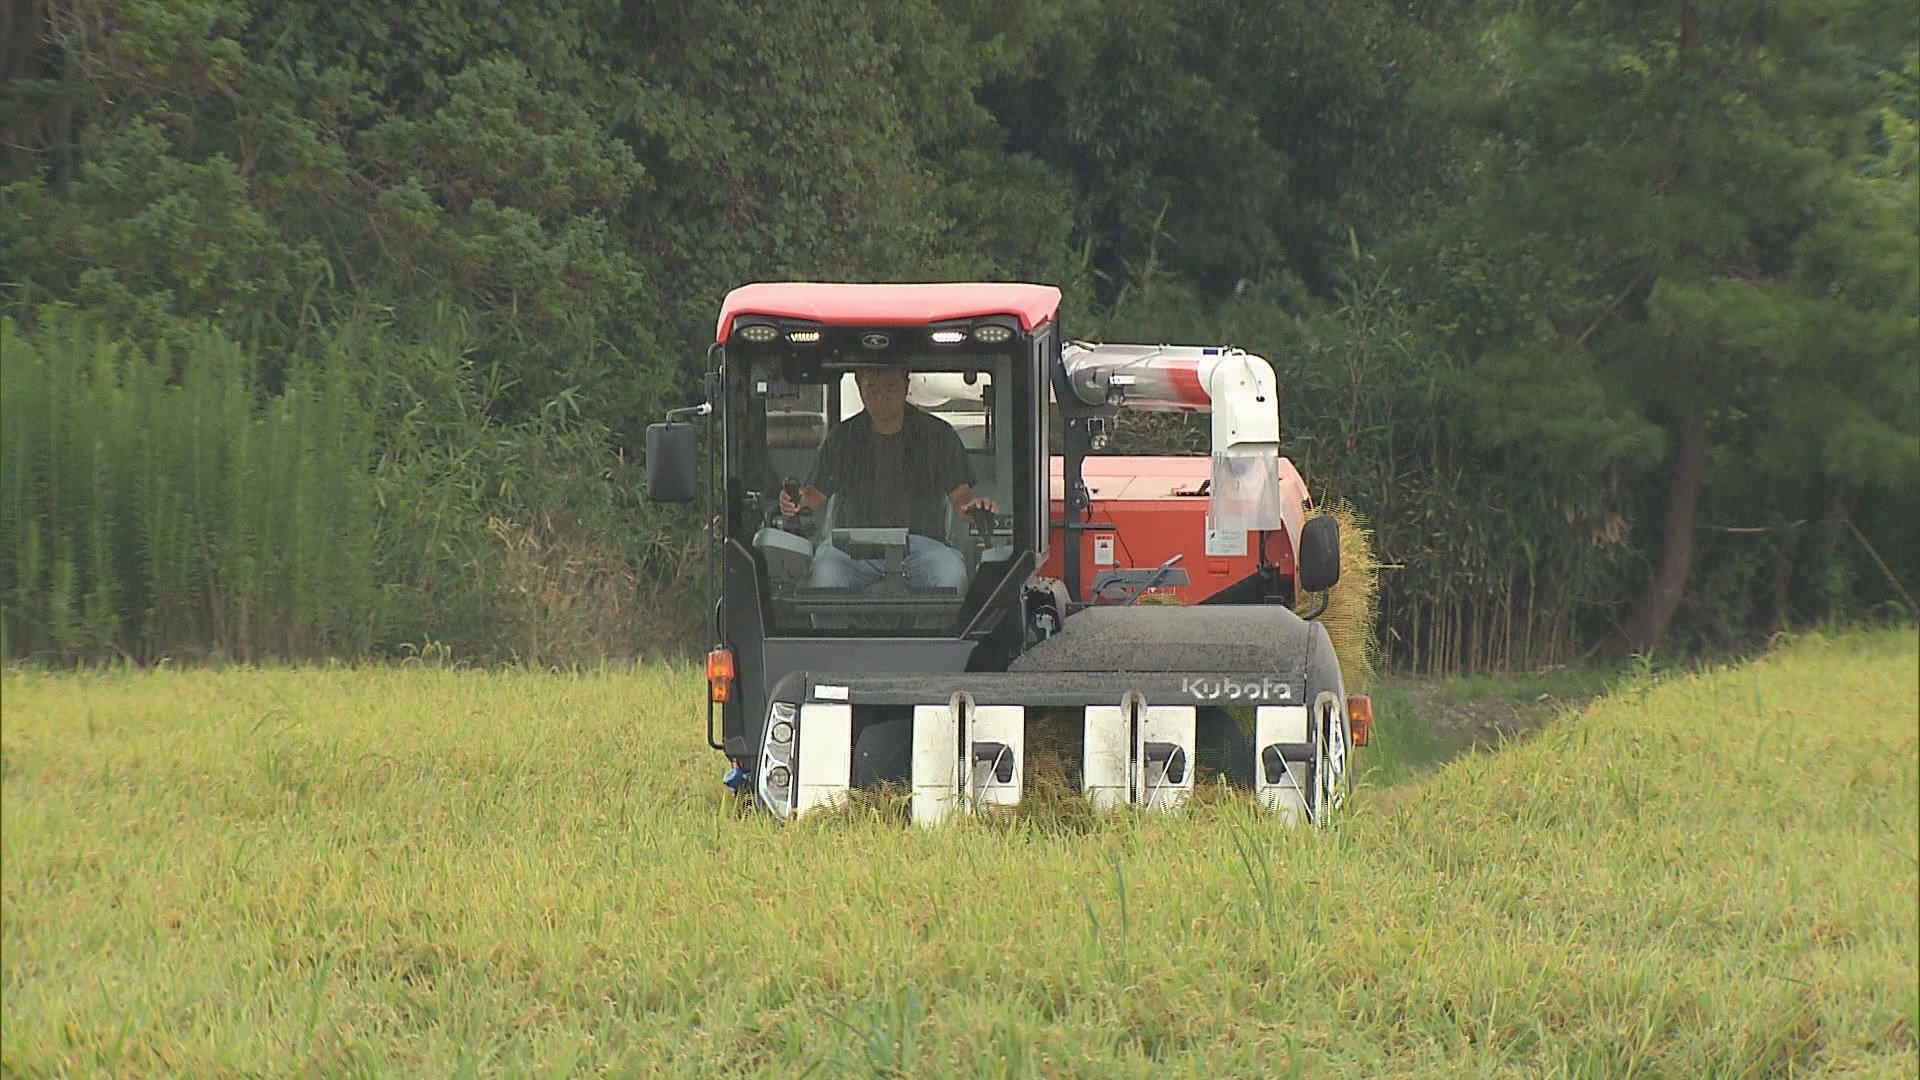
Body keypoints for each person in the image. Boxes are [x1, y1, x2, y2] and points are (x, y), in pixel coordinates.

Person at [778, 364, 995, 593]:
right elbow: (814, 494)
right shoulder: (843, 437)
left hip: (922, 545)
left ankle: (930, 631)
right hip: (851, 548)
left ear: (906, 387)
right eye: (872, 388)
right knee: (824, 575)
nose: (881, 397)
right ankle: (833, 632)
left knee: (951, 574)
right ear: (859, 388)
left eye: (891, 388)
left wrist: (975, 508)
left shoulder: (938, 435)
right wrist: (796, 500)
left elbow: (961, 496)